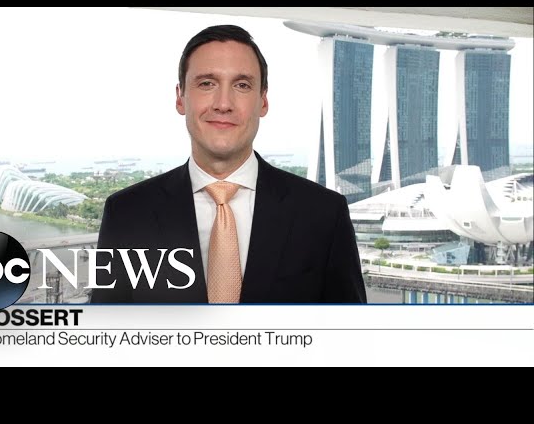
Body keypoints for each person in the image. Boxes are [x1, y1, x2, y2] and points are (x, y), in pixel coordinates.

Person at [89, 24, 367, 303]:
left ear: (263, 101)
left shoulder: (323, 214)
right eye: (206, 84)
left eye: (242, 85)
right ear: (180, 98)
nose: (223, 104)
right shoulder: (126, 213)